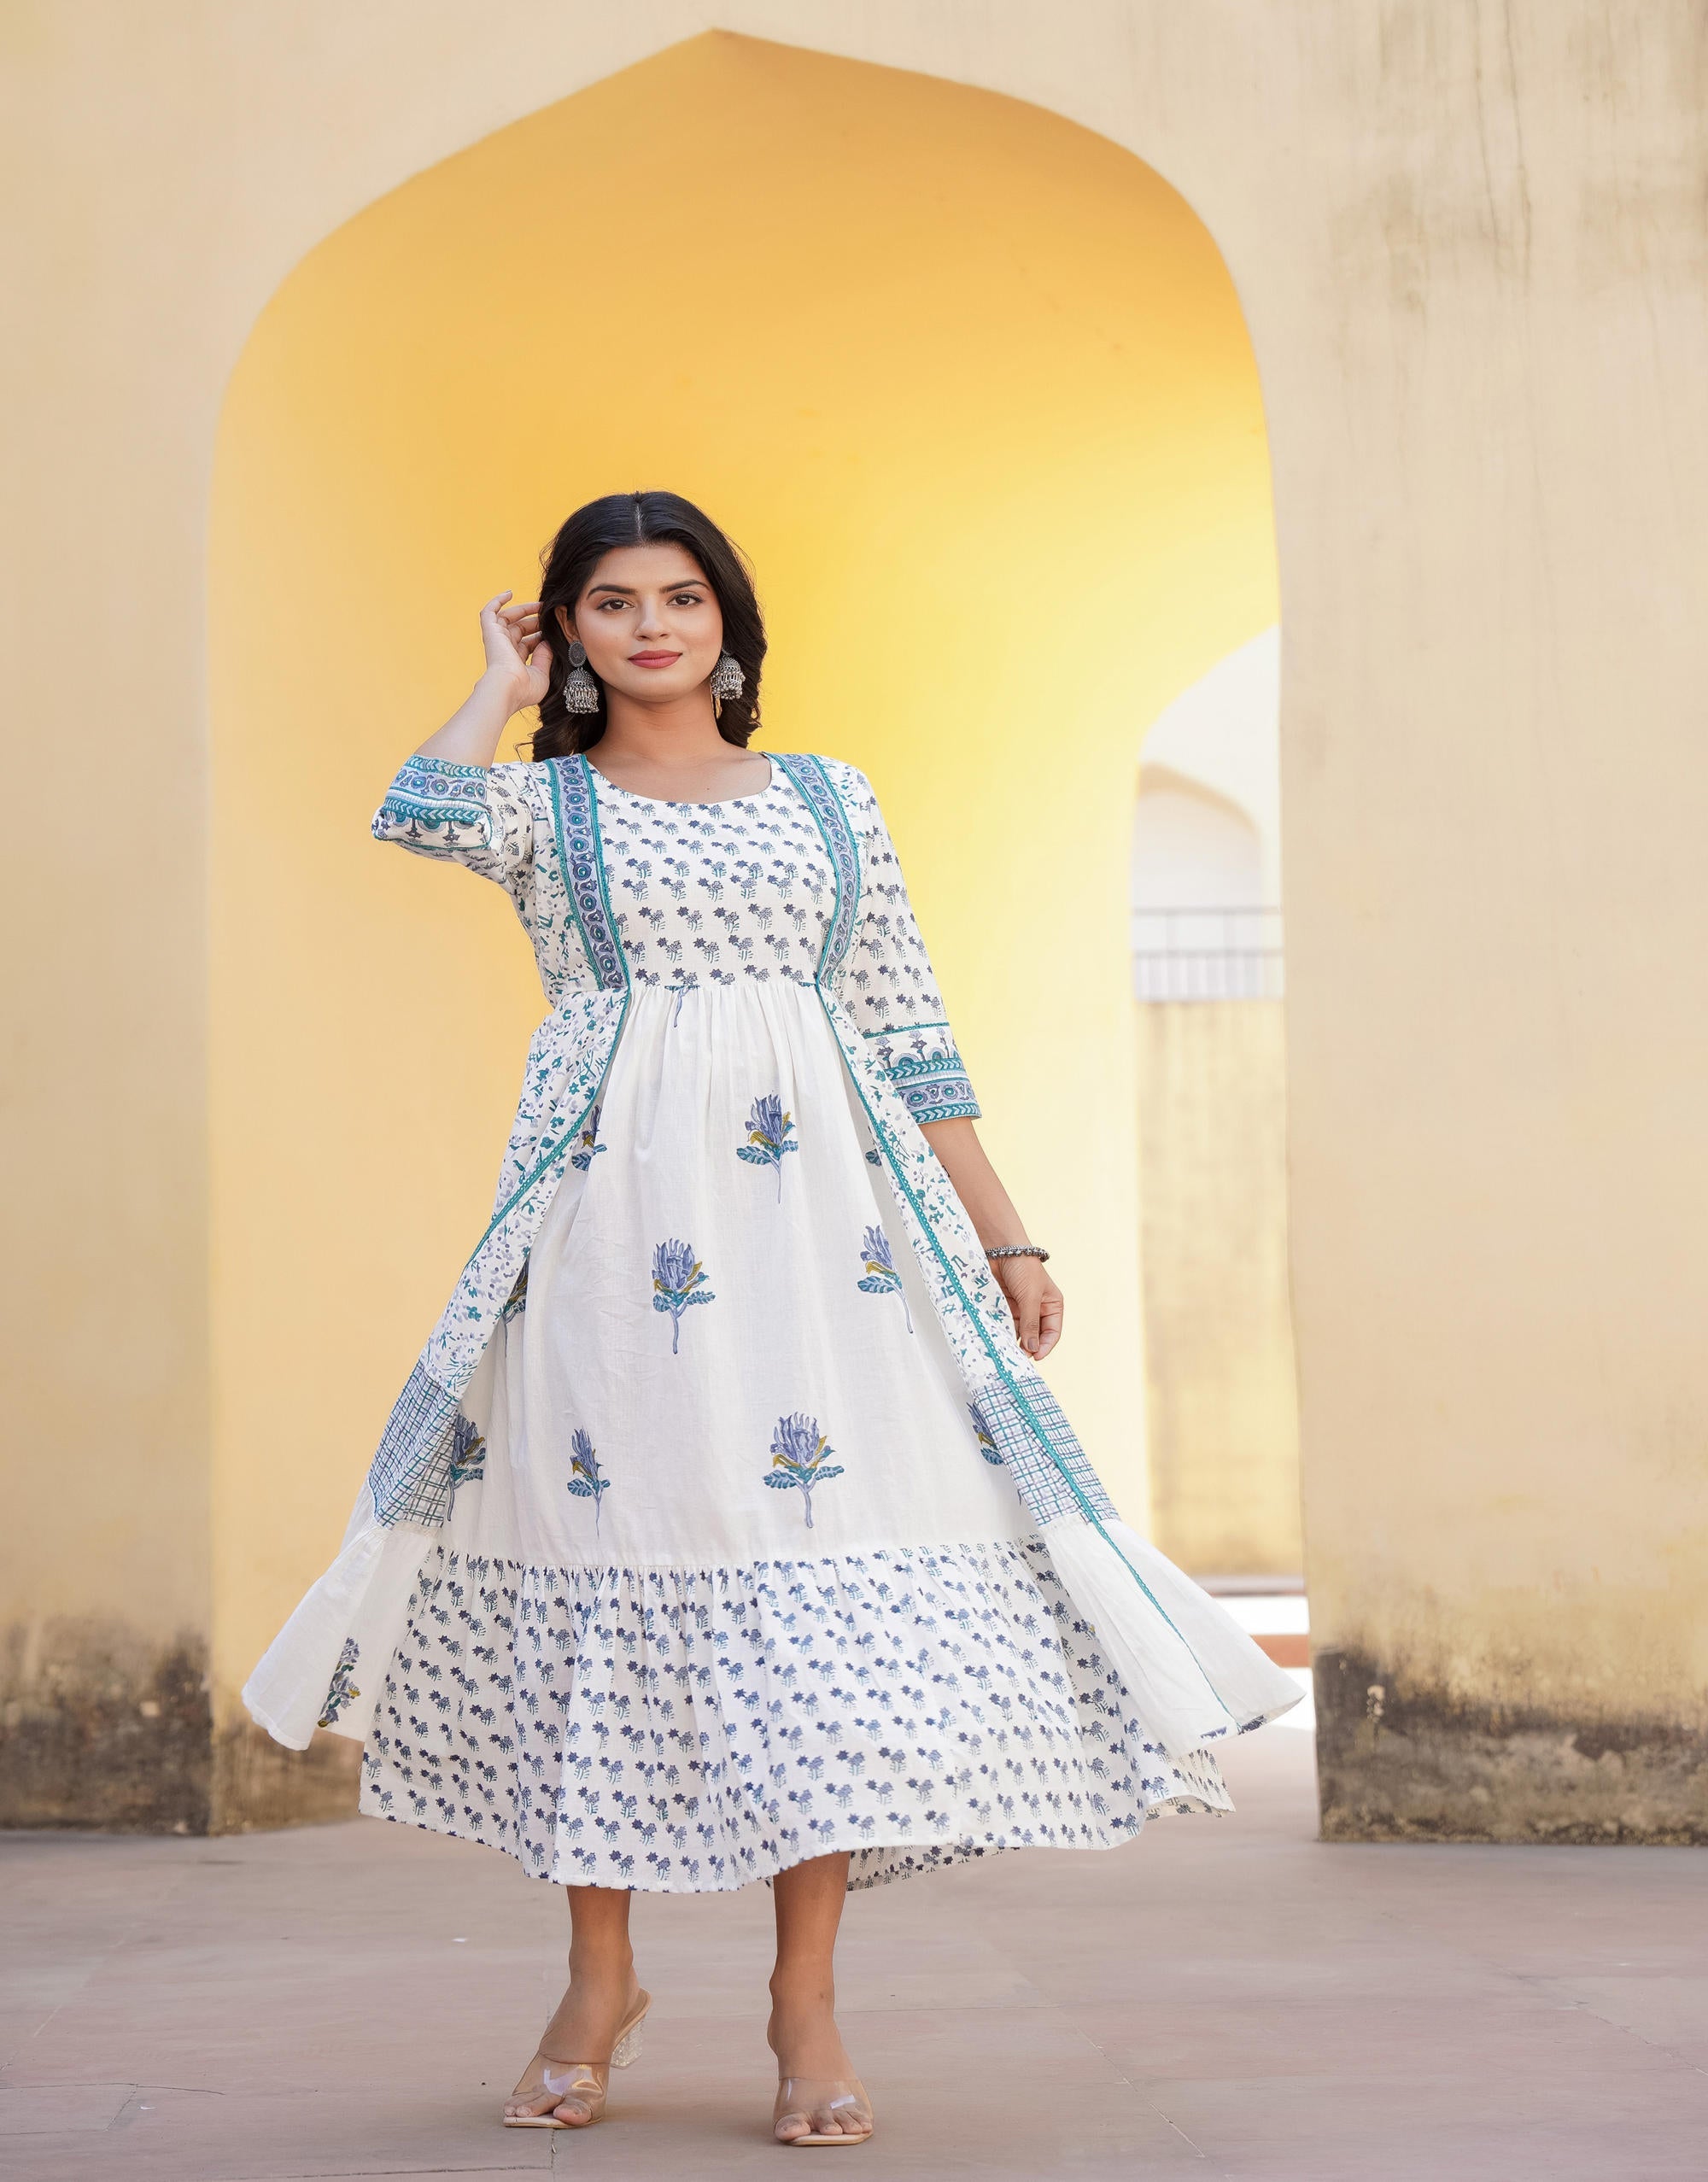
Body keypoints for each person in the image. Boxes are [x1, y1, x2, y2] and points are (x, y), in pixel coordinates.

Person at [245, 491, 1299, 2146]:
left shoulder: (828, 799)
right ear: (567, 632)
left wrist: (1004, 1234)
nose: (650, 625)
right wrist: (494, 694)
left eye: (679, 596)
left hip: (832, 1248)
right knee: (612, 1574)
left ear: (730, 623)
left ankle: (802, 2002)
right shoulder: (550, 806)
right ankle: (598, 1978)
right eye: (607, 603)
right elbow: (415, 815)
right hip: (612, 1244)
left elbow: (903, 1015)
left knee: (803, 1592)